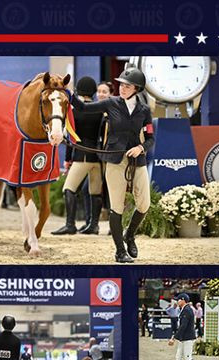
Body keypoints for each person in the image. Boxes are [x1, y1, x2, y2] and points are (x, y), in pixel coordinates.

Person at [69, 67, 154, 263]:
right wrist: (68, 93)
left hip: (137, 161)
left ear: (137, 88)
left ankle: (129, 235)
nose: (122, 88)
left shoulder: (144, 110)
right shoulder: (111, 103)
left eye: (127, 86)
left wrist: (141, 148)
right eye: (121, 85)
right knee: (117, 207)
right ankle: (119, 251)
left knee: (144, 205)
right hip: (115, 161)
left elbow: (150, 138)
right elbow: (83, 108)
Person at [54, 76, 105, 236]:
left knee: (69, 189)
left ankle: (70, 224)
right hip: (98, 157)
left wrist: (68, 159)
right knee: (95, 192)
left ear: (79, 91)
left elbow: (71, 137)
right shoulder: (100, 111)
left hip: (81, 156)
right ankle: (94, 225)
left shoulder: (75, 112)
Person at [167, 293, 213, 360]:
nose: (177, 301)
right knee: (178, 357)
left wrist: (174, 339)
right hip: (183, 338)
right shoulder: (184, 309)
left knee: (188, 359)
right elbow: (181, 326)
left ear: (183, 300)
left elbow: (183, 326)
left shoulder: (187, 310)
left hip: (187, 338)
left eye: (178, 300)